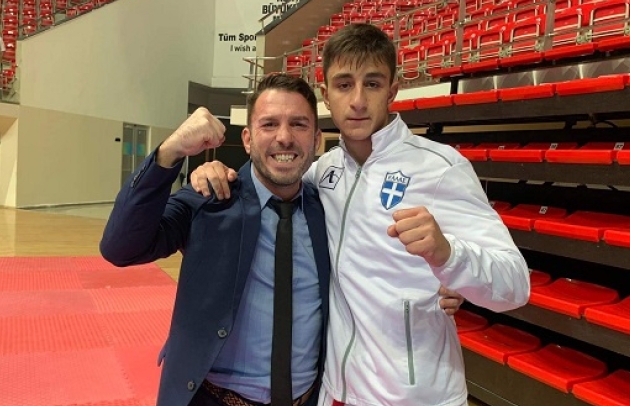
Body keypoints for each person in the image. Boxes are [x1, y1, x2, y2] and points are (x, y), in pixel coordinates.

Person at [190, 23, 531, 406]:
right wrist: (215, 172)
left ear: (392, 91)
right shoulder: (322, 172)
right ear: (326, 95)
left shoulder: (441, 168)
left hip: (416, 396)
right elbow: (268, 179)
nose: (357, 100)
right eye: (344, 84)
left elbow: (515, 285)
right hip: (337, 391)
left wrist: (449, 257)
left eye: (372, 83)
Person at [101, 74, 332, 406]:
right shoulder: (209, 198)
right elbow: (120, 248)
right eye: (269, 124)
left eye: (298, 124)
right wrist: (170, 152)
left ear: (317, 139)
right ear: (248, 140)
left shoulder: (329, 210)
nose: (284, 137)